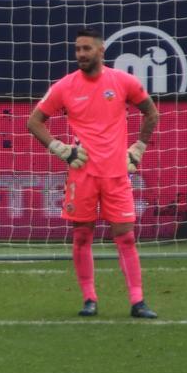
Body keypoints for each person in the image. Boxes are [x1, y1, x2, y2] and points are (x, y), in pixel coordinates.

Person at [26, 27, 160, 319]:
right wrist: (59, 148)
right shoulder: (64, 86)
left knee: (125, 237)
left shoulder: (123, 81)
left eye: (87, 49)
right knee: (82, 236)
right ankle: (89, 299)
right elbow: (34, 121)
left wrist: (138, 148)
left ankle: (138, 301)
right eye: (77, 49)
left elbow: (151, 112)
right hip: (82, 174)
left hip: (116, 174)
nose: (81, 55)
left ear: (101, 51)